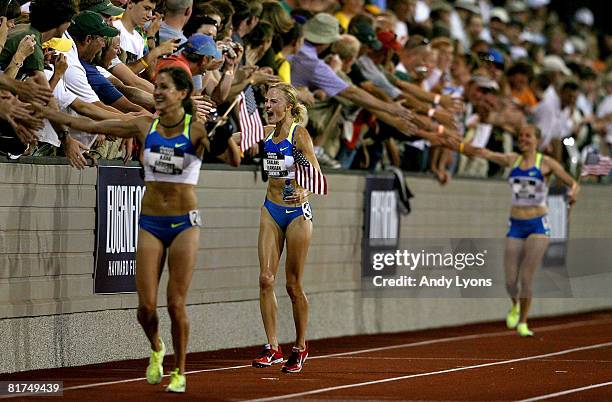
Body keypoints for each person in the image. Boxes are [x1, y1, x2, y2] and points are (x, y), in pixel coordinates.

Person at [35, 67, 240, 392]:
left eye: (165, 87)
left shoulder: (197, 128)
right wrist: (47, 111)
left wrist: (225, 134)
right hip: (150, 222)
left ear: (183, 94)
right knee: (145, 307)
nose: (157, 92)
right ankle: (157, 347)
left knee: (175, 303)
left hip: (185, 222)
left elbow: (235, 160)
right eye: (156, 86)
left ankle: (180, 370)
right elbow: (89, 123)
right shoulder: (145, 125)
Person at [470, 125, 579, 336]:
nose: (523, 139)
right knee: (510, 280)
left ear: (537, 140)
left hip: (538, 225)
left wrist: (573, 193)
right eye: (520, 136)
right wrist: (470, 148)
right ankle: (514, 304)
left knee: (526, 276)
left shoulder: (546, 163)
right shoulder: (514, 160)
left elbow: (573, 183)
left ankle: (523, 322)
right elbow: (489, 154)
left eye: (527, 136)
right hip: (516, 224)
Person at [252, 83, 324, 373]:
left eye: (273, 102)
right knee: (266, 279)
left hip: (296, 214)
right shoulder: (267, 134)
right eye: (266, 101)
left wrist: (305, 191)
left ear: (289, 107)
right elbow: (236, 139)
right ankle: (273, 347)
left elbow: (315, 171)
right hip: (271, 209)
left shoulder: (299, 135)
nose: (267, 106)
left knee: (292, 285)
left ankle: (300, 346)